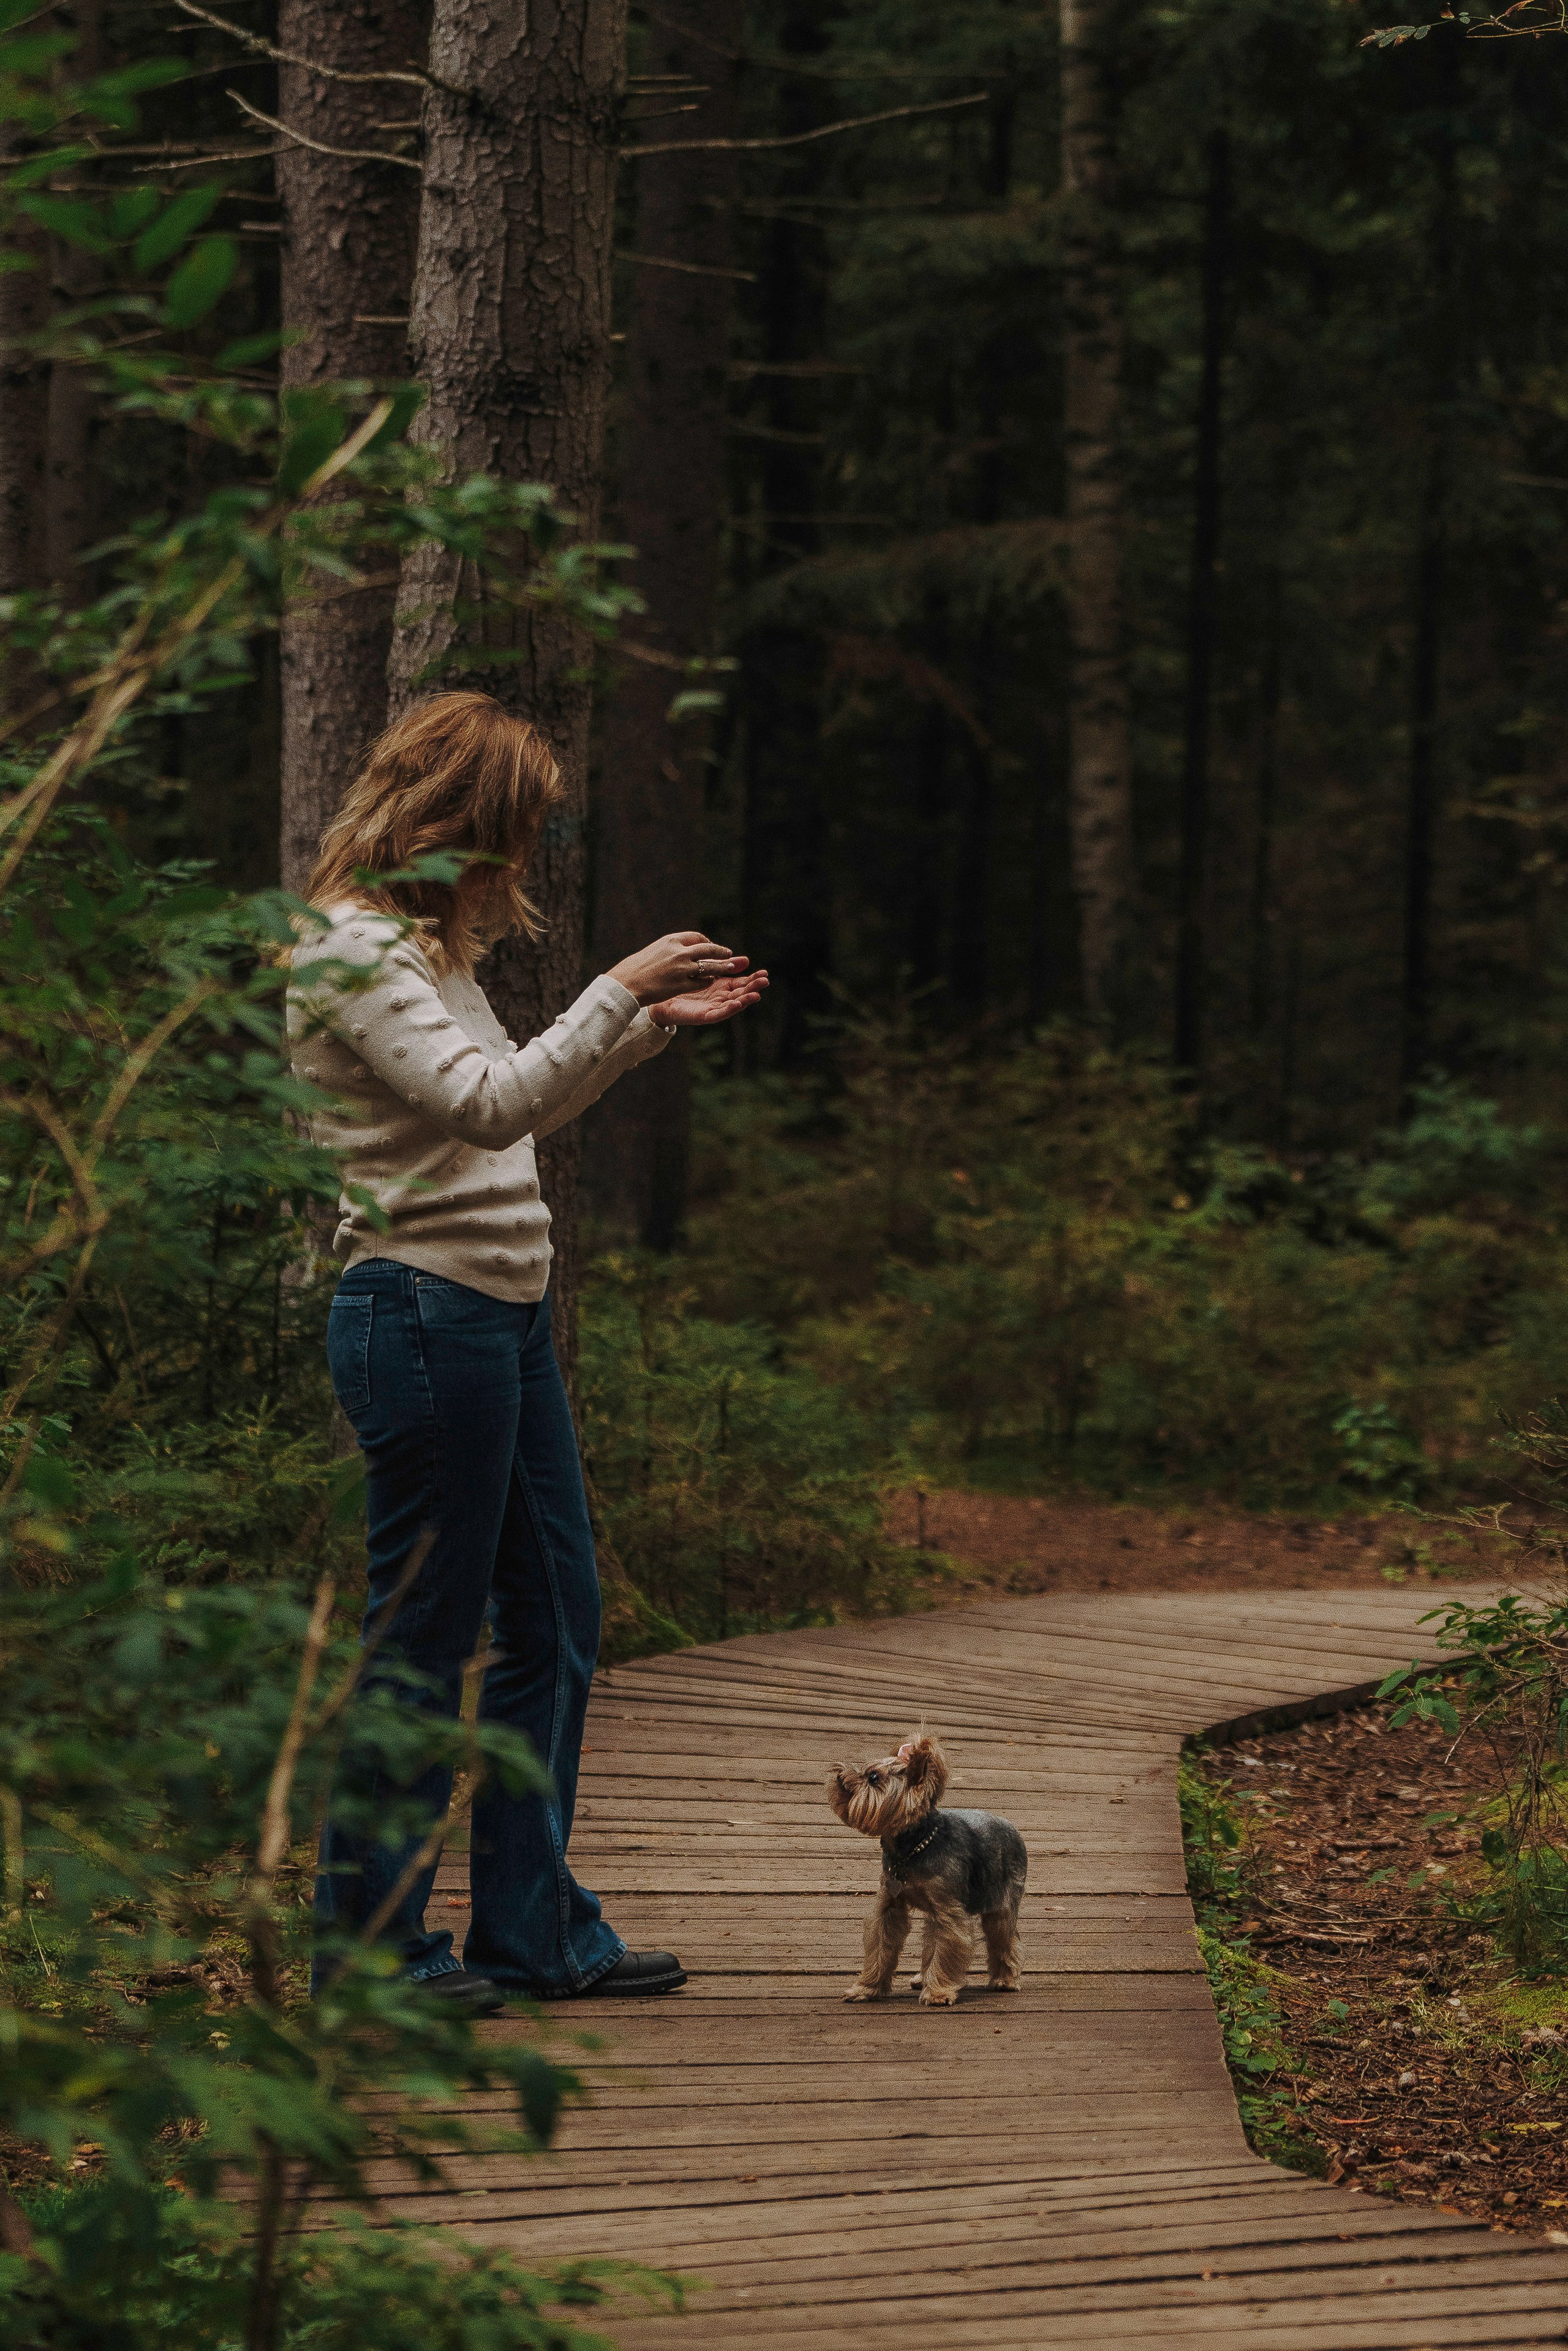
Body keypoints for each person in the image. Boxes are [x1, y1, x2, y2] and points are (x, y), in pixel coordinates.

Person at [287, 690, 767, 2013]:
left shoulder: (429, 951)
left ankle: (531, 1925)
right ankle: (372, 1951)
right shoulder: (347, 950)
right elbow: (486, 1100)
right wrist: (614, 985)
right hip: (420, 1312)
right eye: (516, 832)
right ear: (452, 820)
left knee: (556, 1615)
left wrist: (635, 1033)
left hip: (496, 1314)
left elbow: (507, 1117)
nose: (523, 864)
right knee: (422, 1638)